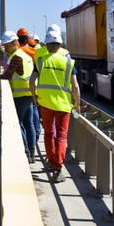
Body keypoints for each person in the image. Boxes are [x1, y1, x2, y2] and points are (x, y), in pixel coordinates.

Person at [30, 28, 80, 183]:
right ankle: (58, 168)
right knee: (62, 135)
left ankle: (51, 161)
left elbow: (31, 81)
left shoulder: (41, 60)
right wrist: (77, 104)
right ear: (60, 44)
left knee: (49, 132)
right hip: (64, 104)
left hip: (45, 102)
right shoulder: (69, 62)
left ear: (47, 44)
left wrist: (34, 97)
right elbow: (76, 86)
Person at [0, 30, 37, 163]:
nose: (5, 49)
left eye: (7, 45)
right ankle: (32, 153)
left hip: (21, 94)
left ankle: (26, 153)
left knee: (17, 124)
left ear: (14, 43)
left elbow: (7, 75)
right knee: (29, 124)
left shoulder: (16, 57)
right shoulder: (25, 56)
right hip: (29, 93)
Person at [16, 28, 41, 143]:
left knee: (22, 121)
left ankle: (26, 146)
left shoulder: (17, 52)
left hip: (20, 90)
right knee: (32, 114)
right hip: (34, 85)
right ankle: (36, 133)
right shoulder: (34, 52)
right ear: (28, 39)